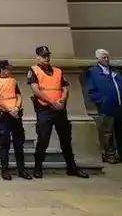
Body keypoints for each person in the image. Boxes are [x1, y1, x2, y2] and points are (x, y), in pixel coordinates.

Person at [28, 46, 88, 178]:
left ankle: (71, 167)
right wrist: (51, 101)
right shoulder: (34, 70)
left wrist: (62, 100)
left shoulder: (58, 71)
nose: (46, 58)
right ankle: (38, 168)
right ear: (37, 57)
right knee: (43, 139)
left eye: (48, 55)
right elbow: (35, 89)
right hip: (44, 109)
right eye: (43, 56)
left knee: (66, 139)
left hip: (60, 109)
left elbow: (65, 87)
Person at [84, 49, 122, 164]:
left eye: (108, 57)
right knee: (108, 133)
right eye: (104, 57)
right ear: (97, 59)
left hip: (120, 106)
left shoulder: (115, 72)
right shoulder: (93, 72)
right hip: (106, 107)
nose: (107, 59)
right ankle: (110, 155)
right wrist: (102, 101)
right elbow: (91, 91)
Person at [0, 60, 31, 180]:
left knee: (19, 143)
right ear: (1, 70)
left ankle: (21, 170)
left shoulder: (13, 80)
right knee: (4, 144)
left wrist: (16, 107)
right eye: (7, 69)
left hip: (16, 114)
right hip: (4, 115)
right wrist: (9, 109)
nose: (10, 71)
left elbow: (19, 95)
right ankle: (5, 170)